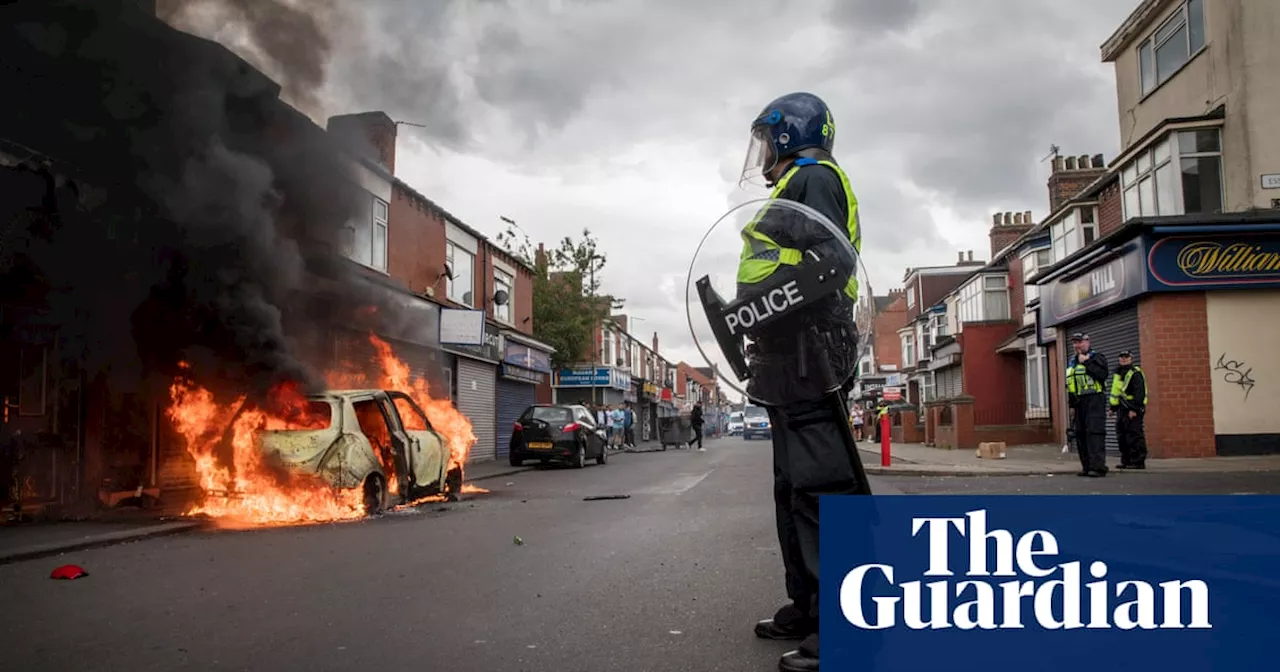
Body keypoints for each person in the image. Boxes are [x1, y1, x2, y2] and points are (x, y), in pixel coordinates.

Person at [735, 91, 866, 672]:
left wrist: (759, 304)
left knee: (820, 488)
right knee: (795, 485)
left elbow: (827, 267)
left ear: (789, 134)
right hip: (789, 353)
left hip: (811, 349)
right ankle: (809, 605)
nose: (761, 151)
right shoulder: (798, 186)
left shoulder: (813, 179)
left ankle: (843, 626)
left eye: (767, 137)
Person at [1066, 332, 1110, 477]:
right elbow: (1071, 385)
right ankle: (1087, 466)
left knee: (1094, 433)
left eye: (1080, 342)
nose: (1077, 345)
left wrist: (1087, 362)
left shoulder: (1097, 357)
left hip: (1095, 399)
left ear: (1087, 342)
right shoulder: (1072, 362)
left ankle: (1098, 467)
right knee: (1081, 435)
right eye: (1075, 343)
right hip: (1079, 402)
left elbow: (1102, 375)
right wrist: (1071, 406)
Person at [1108, 350, 1148, 470]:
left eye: (1126, 357)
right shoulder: (1118, 372)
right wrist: (1112, 408)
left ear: (1131, 358)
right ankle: (1126, 460)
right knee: (1122, 435)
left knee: (1134, 435)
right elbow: (1116, 392)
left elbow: (1139, 392)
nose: (1124, 359)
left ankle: (1138, 461)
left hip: (1132, 408)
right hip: (1121, 408)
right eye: (1122, 357)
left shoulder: (1135, 373)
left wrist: (1134, 409)